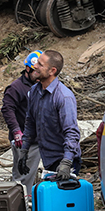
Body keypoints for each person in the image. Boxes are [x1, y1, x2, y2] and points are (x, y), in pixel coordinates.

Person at [19, 50, 81, 181]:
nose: (35, 66)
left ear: (52, 71)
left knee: (64, 199)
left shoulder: (64, 97)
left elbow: (72, 132)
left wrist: (66, 162)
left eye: (40, 64)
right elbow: (30, 123)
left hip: (64, 159)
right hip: (48, 157)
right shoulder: (34, 92)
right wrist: (24, 150)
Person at [1, 50, 42, 196]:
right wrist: (16, 131)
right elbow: (7, 109)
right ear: (28, 69)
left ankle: (25, 205)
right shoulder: (16, 87)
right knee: (23, 178)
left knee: (28, 177)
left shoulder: (39, 86)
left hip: (38, 139)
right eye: (36, 72)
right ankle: (18, 209)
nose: (39, 76)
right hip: (24, 141)